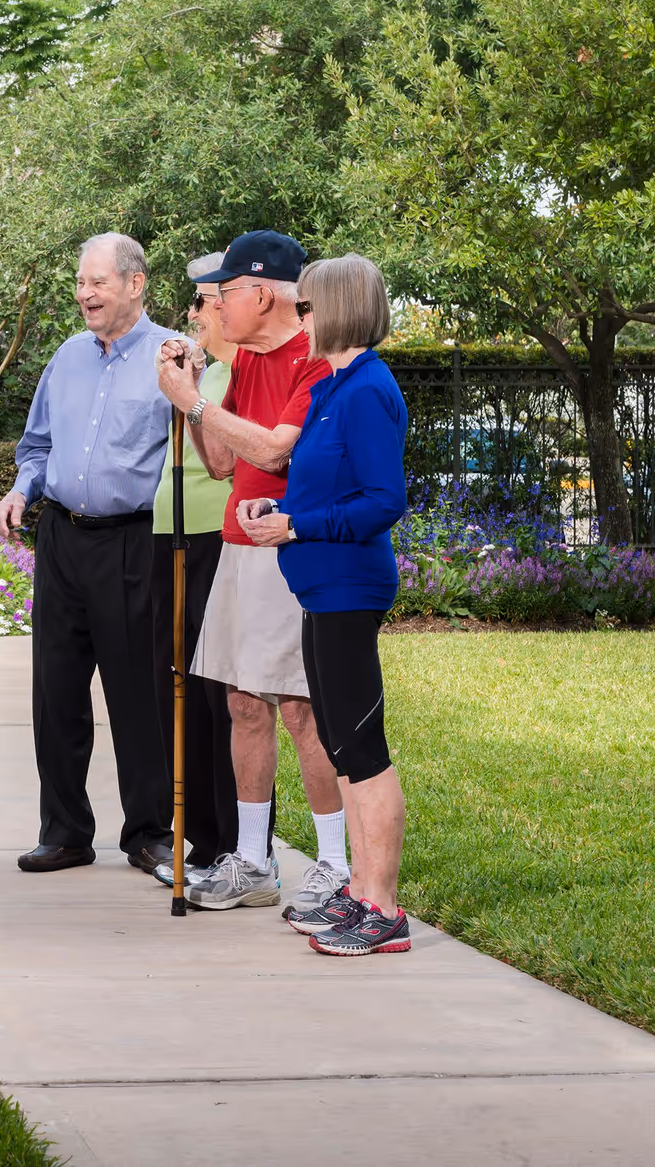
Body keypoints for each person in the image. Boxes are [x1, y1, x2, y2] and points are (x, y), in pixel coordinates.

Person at [155, 230, 349, 916]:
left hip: (287, 550)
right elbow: (220, 463)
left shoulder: (315, 359)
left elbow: (273, 450)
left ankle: (333, 864)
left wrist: (197, 402)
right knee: (244, 701)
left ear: (262, 292)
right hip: (239, 543)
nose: (214, 306)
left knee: (298, 705)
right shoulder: (246, 361)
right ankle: (254, 861)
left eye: (224, 294)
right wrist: (194, 388)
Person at [0, 233, 182, 877]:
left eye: (97, 282)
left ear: (135, 284)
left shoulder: (172, 358)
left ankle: (151, 832)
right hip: (62, 541)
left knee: (138, 692)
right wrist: (22, 490)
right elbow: (37, 445)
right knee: (56, 691)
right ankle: (65, 832)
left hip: (134, 541)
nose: (84, 294)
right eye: (80, 283)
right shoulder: (67, 358)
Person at [239, 253, 411, 955]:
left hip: (348, 586)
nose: (297, 318)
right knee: (342, 747)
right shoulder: (336, 386)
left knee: (362, 750)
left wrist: (298, 525)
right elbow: (326, 486)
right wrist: (277, 506)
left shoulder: (367, 387)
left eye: (306, 307)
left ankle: (384, 908)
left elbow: (382, 501)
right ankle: (361, 891)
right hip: (320, 586)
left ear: (336, 309)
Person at [147, 255, 244, 888]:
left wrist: (189, 398)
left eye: (205, 301)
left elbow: (222, 464)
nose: (195, 314)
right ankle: (194, 839)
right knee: (174, 685)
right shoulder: (209, 375)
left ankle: (224, 843)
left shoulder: (248, 372)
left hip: (214, 535)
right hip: (170, 533)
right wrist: (189, 383)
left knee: (213, 694)